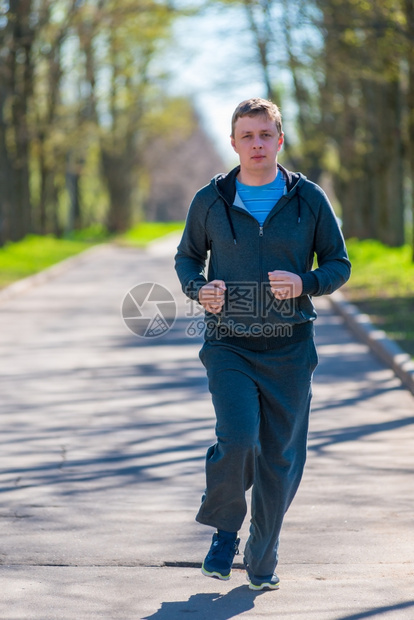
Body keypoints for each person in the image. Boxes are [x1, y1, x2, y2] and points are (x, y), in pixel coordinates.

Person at [174, 98, 351, 590]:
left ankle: (263, 554)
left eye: (265, 135)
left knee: (280, 458)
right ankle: (225, 531)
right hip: (229, 344)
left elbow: (339, 263)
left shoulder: (309, 199)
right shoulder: (210, 201)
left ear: (279, 140)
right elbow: (187, 259)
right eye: (247, 136)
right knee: (238, 440)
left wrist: (305, 283)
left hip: (291, 347)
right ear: (233, 143)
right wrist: (198, 288)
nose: (256, 144)